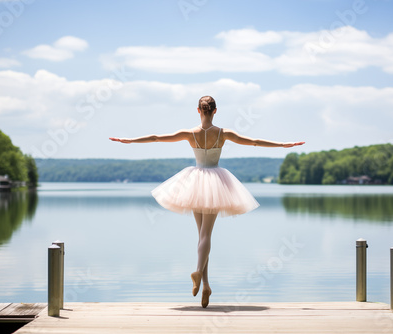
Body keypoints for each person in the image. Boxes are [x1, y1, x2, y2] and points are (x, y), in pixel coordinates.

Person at [109, 96, 305, 308]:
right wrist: (283, 145)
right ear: (215, 111)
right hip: (215, 183)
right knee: (206, 236)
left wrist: (129, 140)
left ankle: (203, 280)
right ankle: (202, 278)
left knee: (201, 236)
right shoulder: (223, 133)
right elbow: (255, 141)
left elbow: (157, 138)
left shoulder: (190, 133)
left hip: (194, 183)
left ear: (198, 110)